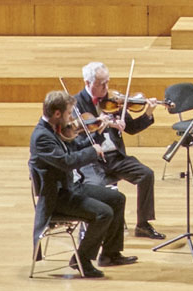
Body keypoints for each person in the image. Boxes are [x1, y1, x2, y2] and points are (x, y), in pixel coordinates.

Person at [31, 91, 137, 278]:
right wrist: (93, 152)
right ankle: (82, 260)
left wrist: (94, 137)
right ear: (57, 114)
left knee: (117, 198)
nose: (71, 118)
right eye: (68, 113)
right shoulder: (42, 137)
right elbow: (66, 161)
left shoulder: (56, 129)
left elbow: (73, 148)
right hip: (57, 198)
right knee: (104, 213)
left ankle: (110, 254)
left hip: (71, 188)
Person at [71, 62, 165, 240]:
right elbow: (78, 143)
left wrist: (148, 114)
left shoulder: (114, 100)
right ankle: (95, 228)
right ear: (87, 83)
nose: (106, 88)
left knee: (146, 174)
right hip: (92, 161)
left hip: (115, 156)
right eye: (101, 84)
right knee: (97, 187)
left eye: (107, 82)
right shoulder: (76, 105)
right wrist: (100, 127)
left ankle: (143, 224)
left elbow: (132, 128)